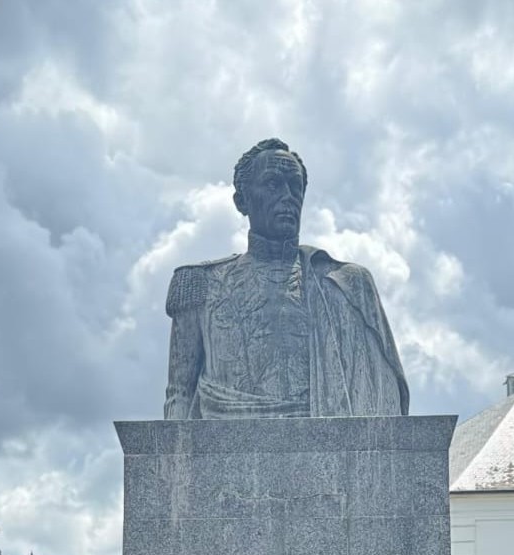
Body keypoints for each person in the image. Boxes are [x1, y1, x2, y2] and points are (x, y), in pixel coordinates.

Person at [163, 137, 410, 419]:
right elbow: (179, 396)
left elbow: (382, 402)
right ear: (242, 201)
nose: (288, 196)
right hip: (225, 443)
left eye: (295, 186)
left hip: (329, 444)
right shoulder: (199, 283)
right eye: (273, 184)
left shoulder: (347, 285)